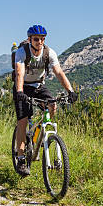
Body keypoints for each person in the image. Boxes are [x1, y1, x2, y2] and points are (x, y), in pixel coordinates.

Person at [13, 24, 78, 176]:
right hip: (23, 86)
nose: (40, 42)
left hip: (39, 86)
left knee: (52, 105)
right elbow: (19, 73)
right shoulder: (22, 52)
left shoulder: (50, 53)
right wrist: (20, 91)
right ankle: (21, 158)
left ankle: (40, 132)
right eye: (36, 39)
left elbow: (59, 72)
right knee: (22, 121)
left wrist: (70, 90)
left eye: (42, 39)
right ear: (29, 39)